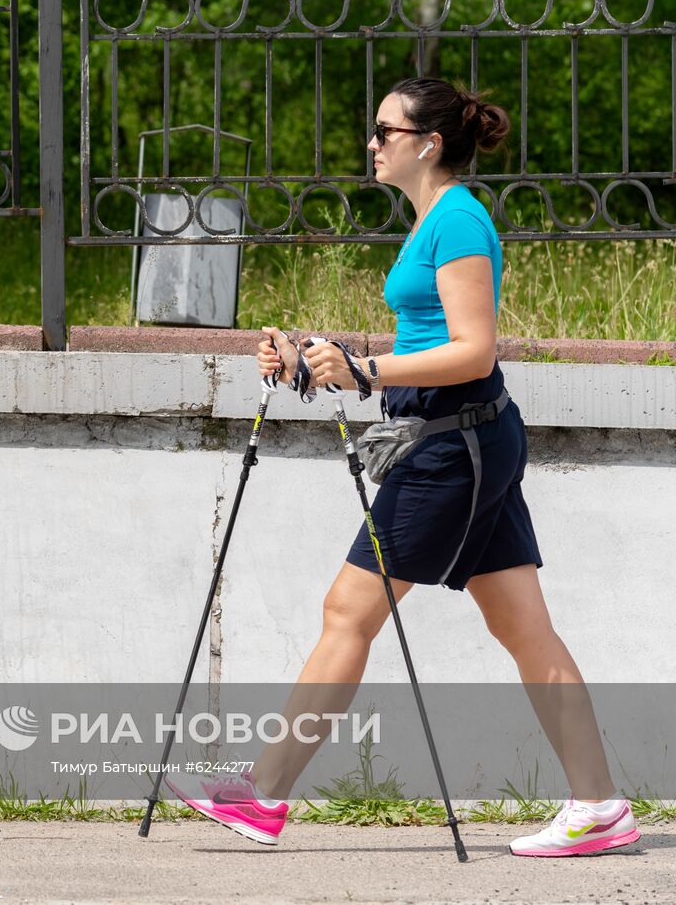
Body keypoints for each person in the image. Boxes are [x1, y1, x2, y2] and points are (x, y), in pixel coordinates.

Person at [165, 78, 640, 857]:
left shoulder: (457, 219)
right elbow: (424, 341)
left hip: (456, 448)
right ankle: (599, 804)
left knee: (348, 610)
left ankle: (265, 796)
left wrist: (365, 373)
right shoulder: (433, 222)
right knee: (525, 628)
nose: (373, 142)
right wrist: (318, 359)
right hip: (462, 436)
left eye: (385, 130)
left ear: (427, 142)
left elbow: (475, 350)